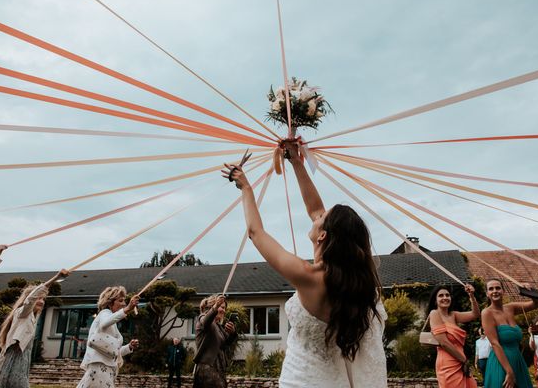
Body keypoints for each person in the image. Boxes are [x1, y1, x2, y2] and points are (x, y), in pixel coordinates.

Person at [223, 139, 387, 387]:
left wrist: (246, 187)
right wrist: (296, 161)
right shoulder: (353, 284)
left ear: (323, 235)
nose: (317, 215)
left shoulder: (310, 276)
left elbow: (256, 232)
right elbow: (315, 208)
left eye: (323, 217)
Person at [0, 268, 69, 388]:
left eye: (43, 299)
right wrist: (56, 277)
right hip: (15, 361)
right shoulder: (23, 312)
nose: (41, 301)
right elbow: (30, 299)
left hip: (23, 361)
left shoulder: (32, 317)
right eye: (39, 298)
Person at [481, 278, 538, 388]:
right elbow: (494, 343)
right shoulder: (486, 313)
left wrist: (529, 290)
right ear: (487, 294)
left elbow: (537, 303)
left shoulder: (511, 308)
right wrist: (509, 371)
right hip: (501, 363)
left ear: (503, 291)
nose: (495, 291)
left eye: (498, 288)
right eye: (491, 289)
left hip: (518, 361)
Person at [76, 286, 140, 388]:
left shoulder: (112, 323)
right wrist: (127, 309)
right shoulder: (104, 313)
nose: (123, 304)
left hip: (105, 368)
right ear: (110, 303)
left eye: (124, 301)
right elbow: (104, 323)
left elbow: (112, 351)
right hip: (99, 367)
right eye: (120, 301)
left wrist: (129, 347)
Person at [427, 284, 480, 387]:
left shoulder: (453, 315)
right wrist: (464, 360)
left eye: (447, 295)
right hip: (448, 363)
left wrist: (471, 295)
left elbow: (475, 314)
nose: (445, 298)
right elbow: (444, 343)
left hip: (461, 361)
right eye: (441, 295)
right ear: (435, 300)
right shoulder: (434, 314)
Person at [193, 294, 237, 388]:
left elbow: (225, 344)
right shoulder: (202, 318)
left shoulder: (218, 326)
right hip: (207, 369)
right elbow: (206, 322)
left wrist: (232, 333)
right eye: (222, 307)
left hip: (218, 369)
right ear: (213, 305)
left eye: (225, 308)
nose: (224, 311)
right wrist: (215, 307)